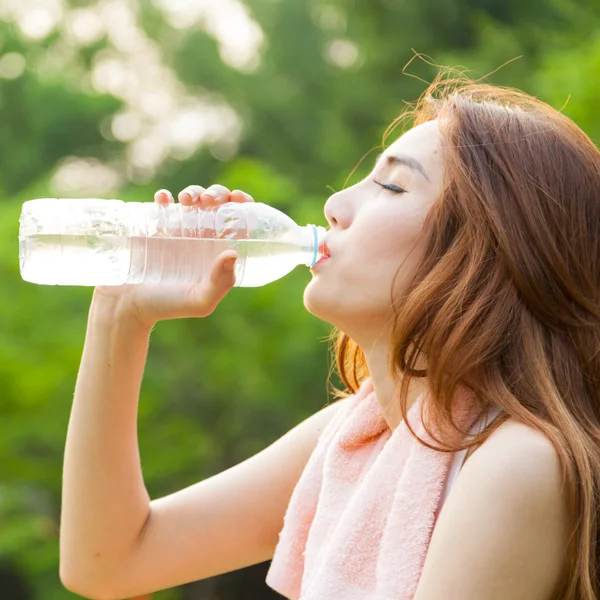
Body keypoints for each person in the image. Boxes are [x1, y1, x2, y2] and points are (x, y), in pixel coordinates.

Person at [58, 72, 600, 600]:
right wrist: (120, 313)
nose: (334, 208)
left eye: (391, 185)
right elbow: (108, 563)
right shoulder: (360, 437)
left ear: (485, 252)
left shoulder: (517, 464)